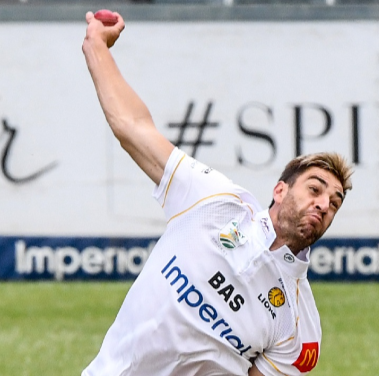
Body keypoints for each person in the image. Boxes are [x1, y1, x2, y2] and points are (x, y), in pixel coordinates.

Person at [81, 10, 353, 376]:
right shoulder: (215, 200)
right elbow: (133, 127)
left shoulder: (300, 327)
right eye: (315, 189)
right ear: (280, 189)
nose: (323, 203)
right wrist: (96, 46)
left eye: (334, 203)